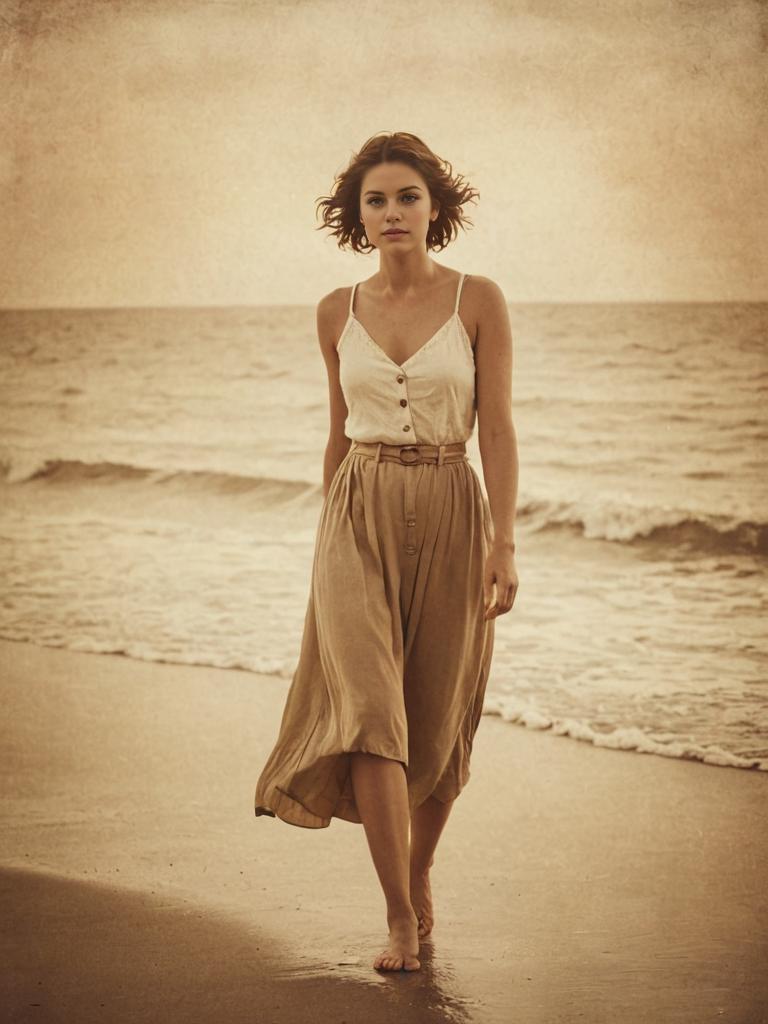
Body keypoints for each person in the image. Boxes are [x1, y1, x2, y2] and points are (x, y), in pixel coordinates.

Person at [254, 130, 519, 973]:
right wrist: (326, 536)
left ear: (435, 209)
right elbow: (335, 433)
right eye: (376, 199)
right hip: (356, 510)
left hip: (451, 504)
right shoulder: (337, 309)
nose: (393, 211)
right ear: (356, 216)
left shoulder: (480, 300)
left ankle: (420, 866)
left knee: (437, 715)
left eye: (408, 196)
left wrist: (503, 541)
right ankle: (399, 918)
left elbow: (500, 428)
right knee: (369, 712)